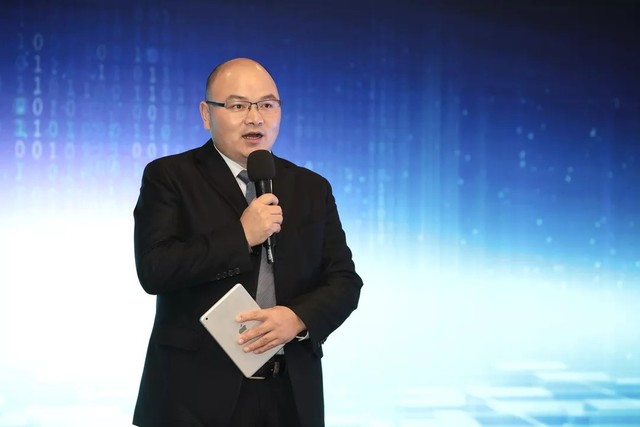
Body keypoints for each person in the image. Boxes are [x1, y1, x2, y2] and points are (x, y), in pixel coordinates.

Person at [132, 57, 363, 427]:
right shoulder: (170, 176)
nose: (255, 118)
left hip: (289, 395)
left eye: (267, 105)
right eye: (238, 106)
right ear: (206, 114)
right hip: (192, 398)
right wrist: (241, 236)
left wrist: (297, 319)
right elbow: (155, 269)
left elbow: (344, 281)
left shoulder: (311, 187)